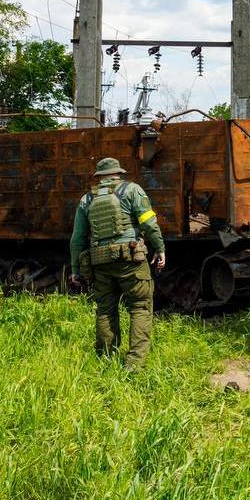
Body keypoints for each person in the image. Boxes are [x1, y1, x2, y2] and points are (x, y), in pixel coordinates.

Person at [69, 157, 166, 370]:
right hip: (130, 260)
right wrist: (160, 248)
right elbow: (149, 224)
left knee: (105, 309)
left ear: (99, 177)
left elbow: (77, 238)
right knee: (140, 307)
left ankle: (105, 360)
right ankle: (134, 364)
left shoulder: (87, 199)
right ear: (118, 174)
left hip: (100, 262)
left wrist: (75, 269)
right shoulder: (132, 190)